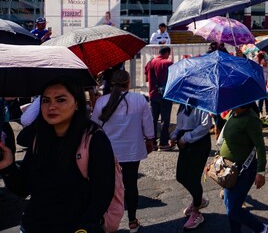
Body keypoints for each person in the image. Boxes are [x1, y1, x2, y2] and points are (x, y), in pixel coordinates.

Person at [0, 78, 116, 232]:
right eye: (46, 100)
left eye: (60, 100)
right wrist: (8, 167)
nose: (51, 106)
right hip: (32, 226)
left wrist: (85, 227)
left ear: (77, 104)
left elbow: (103, 194)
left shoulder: (93, 139)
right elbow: (23, 189)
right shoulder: (39, 138)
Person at [92, 70, 153, 232]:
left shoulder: (101, 102)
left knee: (107, 187)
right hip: (132, 150)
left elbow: (94, 126)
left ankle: (106, 221)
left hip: (108, 152)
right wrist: (150, 139)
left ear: (111, 84)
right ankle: (132, 221)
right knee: (131, 186)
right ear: (128, 83)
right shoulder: (139, 100)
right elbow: (148, 125)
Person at [220, 102, 268, 233]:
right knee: (230, 205)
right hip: (230, 170)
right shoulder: (233, 114)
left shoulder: (251, 119)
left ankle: (263, 229)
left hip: (244, 171)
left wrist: (261, 172)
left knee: (233, 209)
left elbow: (260, 147)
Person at [171, 104, 213, 230]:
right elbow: (181, 124)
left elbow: (206, 125)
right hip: (185, 143)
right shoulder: (183, 104)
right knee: (181, 176)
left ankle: (196, 212)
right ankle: (198, 199)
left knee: (194, 178)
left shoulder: (202, 103)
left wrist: (186, 138)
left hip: (199, 143)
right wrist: (174, 135)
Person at [144, 46, 174, 150]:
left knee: (153, 119)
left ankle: (152, 142)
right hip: (165, 95)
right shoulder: (168, 63)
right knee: (165, 120)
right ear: (166, 53)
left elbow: (146, 78)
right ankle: (163, 143)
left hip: (153, 94)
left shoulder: (150, 62)